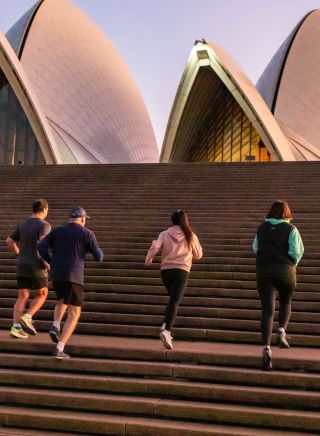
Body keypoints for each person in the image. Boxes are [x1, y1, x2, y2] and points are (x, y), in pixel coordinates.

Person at [38, 206, 103, 359]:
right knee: (74, 312)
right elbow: (98, 256)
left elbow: (41, 246)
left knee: (62, 300)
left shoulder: (58, 231)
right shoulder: (87, 233)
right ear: (82, 219)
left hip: (57, 273)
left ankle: (55, 324)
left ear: (70, 219)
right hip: (74, 274)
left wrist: (50, 260)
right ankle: (59, 348)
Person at [252, 200, 304, 371]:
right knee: (285, 302)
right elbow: (296, 251)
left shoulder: (261, 228)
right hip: (285, 271)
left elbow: (255, 247)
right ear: (286, 213)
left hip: (264, 271)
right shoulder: (291, 229)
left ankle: (266, 348)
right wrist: (291, 263)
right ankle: (281, 330)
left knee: (267, 311)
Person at [145, 210, 203, 350]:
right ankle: (167, 330)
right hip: (181, 271)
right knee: (175, 301)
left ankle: (165, 323)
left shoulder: (164, 234)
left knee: (172, 299)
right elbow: (198, 255)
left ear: (172, 220)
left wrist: (149, 258)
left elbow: (155, 246)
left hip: (166, 271)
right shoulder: (190, 236)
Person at [6, 199, 51, 339]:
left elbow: (9, 241)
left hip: (21, 264)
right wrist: (46, 261)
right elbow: (42, 245)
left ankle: (16, 327)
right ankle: (28, 316)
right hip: (36, 264)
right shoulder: (44, 225)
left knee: (23, 296)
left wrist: (19, 253)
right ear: (43, 210)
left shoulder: (23, 224)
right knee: (42, 293)